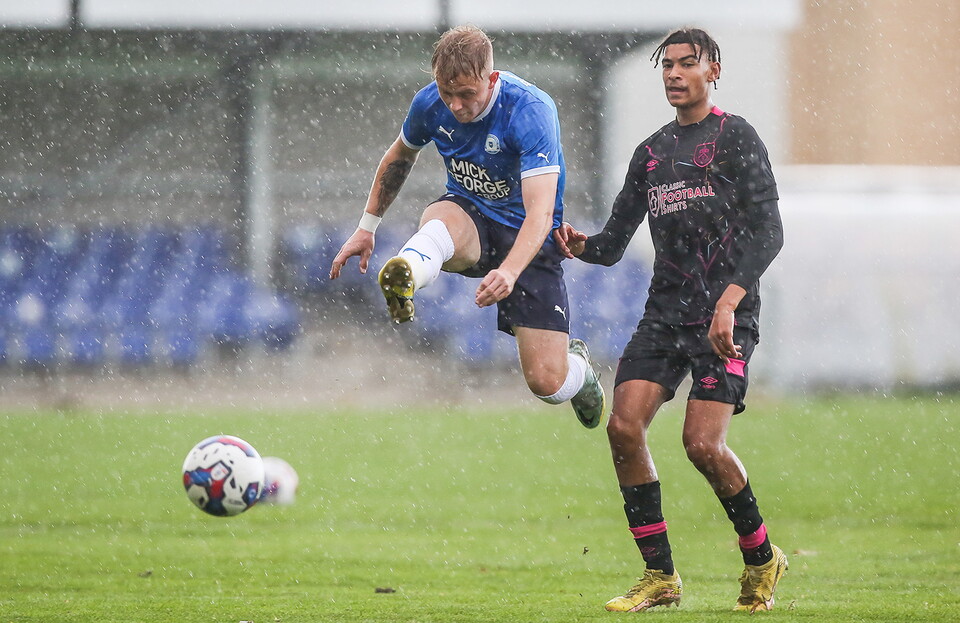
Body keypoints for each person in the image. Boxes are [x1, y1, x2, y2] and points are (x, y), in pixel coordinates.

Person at [554, 28, 786, 612]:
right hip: (665, 313)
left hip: (724, 316)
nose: (675, 74)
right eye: (667, 66)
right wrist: (578, 244)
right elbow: (612, 243)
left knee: (702, 446)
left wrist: (730, 302)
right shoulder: (651, 154)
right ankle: (660, 577)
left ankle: (761, 556)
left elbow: (770, 233)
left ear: (714, 71)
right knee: (623, 428)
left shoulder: (736, 138)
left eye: (688, 64)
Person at [329, 25, 605, 428]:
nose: (456, 105)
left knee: (547, 383)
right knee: (439, 218)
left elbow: (541, 214)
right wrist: (367, 226)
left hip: (527, 237)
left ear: (492, 80)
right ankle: (406, 271)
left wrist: (510, 271)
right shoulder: (429, 103)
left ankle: (580, 371)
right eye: (446, 92)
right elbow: (399, 156)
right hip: (469, 215)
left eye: (466, 95)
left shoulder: (529, 110)